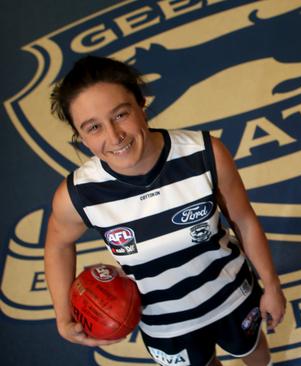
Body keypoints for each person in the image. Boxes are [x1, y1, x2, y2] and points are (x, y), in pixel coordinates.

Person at [44, 56, 286, 366]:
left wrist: (272, 285)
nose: (114, 136)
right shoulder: (77, 194)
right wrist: (63, 316)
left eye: (120, 114)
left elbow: (243, 220)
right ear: (80, 137)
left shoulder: (205, 153)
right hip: (164, 322)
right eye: (93, 127)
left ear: (141, 104)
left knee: (256, 355)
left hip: (232, 295)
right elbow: (58, 245)